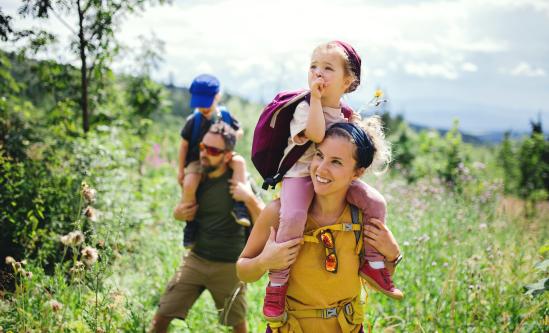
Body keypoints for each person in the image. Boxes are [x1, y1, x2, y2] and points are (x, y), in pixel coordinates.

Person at [259, 41, 403, 322]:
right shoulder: (304, 106)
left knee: (375, 202)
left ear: (348, 81)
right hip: (301, 175)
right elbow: (315, 134)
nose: (317, 73)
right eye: (313, 67)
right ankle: (277, 284)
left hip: (330, 179)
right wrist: (314, 98)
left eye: (327, 68)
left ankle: (373, 262)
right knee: (294, 215)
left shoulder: (346, 114)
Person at [237, 121, 402, 332]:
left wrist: (392, 256)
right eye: (319, 155)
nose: (321, 169)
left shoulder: (362, 218)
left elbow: (375, 279)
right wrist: (264, 261)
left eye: (336, 162)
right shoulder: (279, 212)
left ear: (357, 173)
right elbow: (242, 271)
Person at [150, 123, 265, 333]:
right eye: (203, 147)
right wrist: (178, 213)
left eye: (212, 151)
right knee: (160, 319)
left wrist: (248, 198)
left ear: (228, 156)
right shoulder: (195, 179)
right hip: (196, 259)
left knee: (238, 326)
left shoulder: (240, 181)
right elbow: (182, 209)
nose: (204, 154)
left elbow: (264, 221)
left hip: (230, 266)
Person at [177, 74, 251, 248]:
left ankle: (240, 205)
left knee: (239, 162)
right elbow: (184, 146)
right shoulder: (193, 121)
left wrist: (228, 135)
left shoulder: (224, 115)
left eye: (206, 103)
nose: (203, 108)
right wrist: (181, 170)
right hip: (199, 159)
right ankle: (191, 222)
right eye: (199, 104)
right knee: (190, 183)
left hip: (222, 155)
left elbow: (238, 132)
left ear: (217, 96)